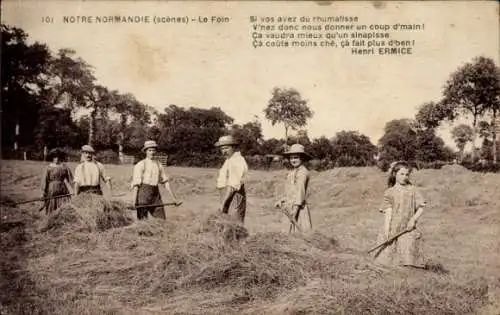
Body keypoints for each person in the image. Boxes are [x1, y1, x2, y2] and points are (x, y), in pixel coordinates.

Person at [373, 161, 427, 268]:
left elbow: (421, 207)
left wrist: (413, 220)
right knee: (387, 261)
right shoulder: (389, 192)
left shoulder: (413, 190)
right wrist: (387, 231)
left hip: (408, 228)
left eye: (407, 174)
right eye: (401, 174)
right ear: (395, 174)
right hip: (394, 227)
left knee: (409, 260)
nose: (404, 177)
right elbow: (388, 213)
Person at [131, 140, 181, 220]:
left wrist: (174, 199)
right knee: (142, 223)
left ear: (156, 151)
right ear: (146, 151)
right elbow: (136, 185)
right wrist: (133, 202)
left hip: (155, 195)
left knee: (162, 220)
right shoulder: (140, 165)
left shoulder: (158, 164)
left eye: (153, 150)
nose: (152, 152)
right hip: (143, 195)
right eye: (149, 150)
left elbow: (166, 183)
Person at [274, 144, 313, 233]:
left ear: (302, 158)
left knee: (298, 237)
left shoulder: (302, 172)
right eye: (291, 158)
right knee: (287, 236)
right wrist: (282, 200)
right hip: (289, 207)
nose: (293, 160)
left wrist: (295, 211)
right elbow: (290, 190)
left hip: (298, 209)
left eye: (296, 157)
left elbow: (300, 192)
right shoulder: (292, 172)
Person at [215, 135, 248, 223]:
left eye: (226, 148)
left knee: (234, 223)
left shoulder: (237, 160)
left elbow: (232, 186)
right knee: (226, 222)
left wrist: (223, 203)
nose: (224, 151)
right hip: (227, 195)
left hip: (233, 195)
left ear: (233, 147)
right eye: (222, 149)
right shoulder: (229, 160)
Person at [40, 148, 74, 214]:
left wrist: (74, 189)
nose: (56, 159)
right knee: (51, 210)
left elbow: (71, 179)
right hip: (52, 191)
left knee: (63, 211)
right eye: (55, 157)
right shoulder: (48, 168)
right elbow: (44, 181)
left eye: (58, 157)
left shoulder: (64, 167)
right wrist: (43, 193)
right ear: (52, 158)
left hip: (62, 192)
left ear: (60, 157)